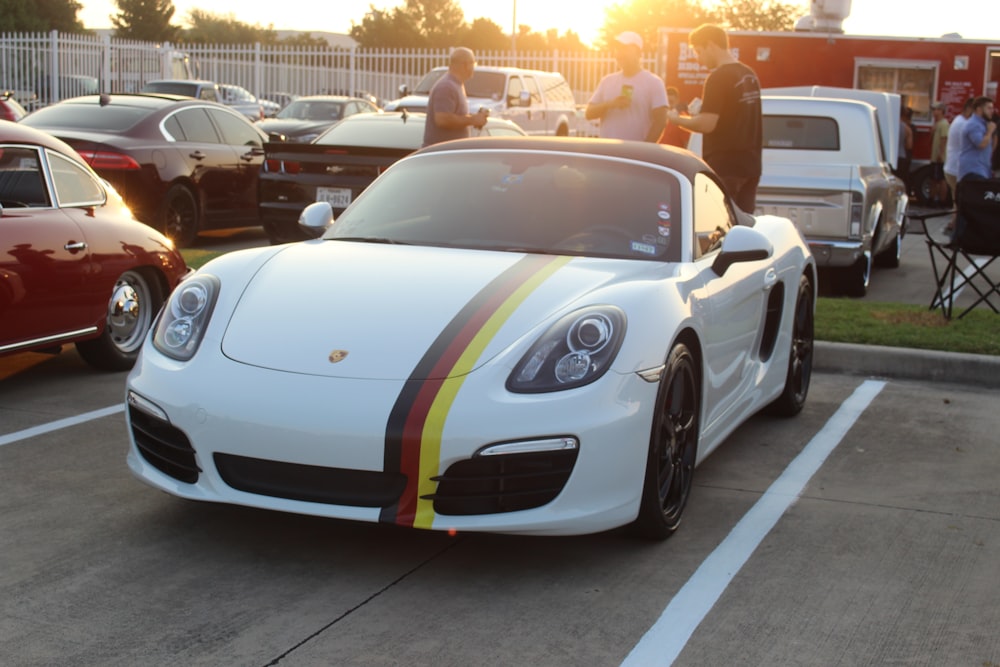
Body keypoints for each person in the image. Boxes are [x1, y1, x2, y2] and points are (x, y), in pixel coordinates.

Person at [666, 23, 762, 213]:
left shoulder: (718, 77)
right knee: (743, 227)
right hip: (751, 165)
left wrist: (677, 119)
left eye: (699, 51)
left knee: (720, 226)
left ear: (710, 45)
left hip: (726, 167)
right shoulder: (748, 74)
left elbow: (707, 124)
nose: (698, 59)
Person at [585, 32, 667, 142]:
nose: (620, 53)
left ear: (638, 53)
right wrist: (610, 104)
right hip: (608, 152)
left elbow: (661, 121)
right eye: (618, 49)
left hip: (635, 155)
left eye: (625, 49)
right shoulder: (607, 81)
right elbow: (589, 113)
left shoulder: (654, 82)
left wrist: (645, 150)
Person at [422, 46, 489, 147]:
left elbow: (452, 116)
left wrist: (474, 118)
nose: (474, 67)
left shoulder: (455, 85)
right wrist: (472, 120)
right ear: (466, 65)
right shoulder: (447, 86)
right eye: (473, 63)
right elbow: (442, 119)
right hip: (442, 154)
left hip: (447, 153)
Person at [957, 95, 997, 183]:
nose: (992, 111)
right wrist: (990, 132)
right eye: (989, 108)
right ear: (979, 109)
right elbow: (981, 144)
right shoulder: (973, 124)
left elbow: (989, 146)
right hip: (973, 171)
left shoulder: (984, 124)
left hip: (982, 170)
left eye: (992, 108)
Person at [929, 102, 950, 206]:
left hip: (939, 158)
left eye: (936, 110)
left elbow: (944, 139)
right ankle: (932, 199)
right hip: (934, 157)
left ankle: (941, 201)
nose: (934, 112)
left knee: (940, 180)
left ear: (941, 111)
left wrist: (940, 154)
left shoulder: (944, 124)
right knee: (934, 179)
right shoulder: (937, 124)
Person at [895, 106, 913, 193]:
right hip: (901, 156)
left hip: (891, 157)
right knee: (901, 180)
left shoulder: (891, 126)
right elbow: (909, 146)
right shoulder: (907, 129)